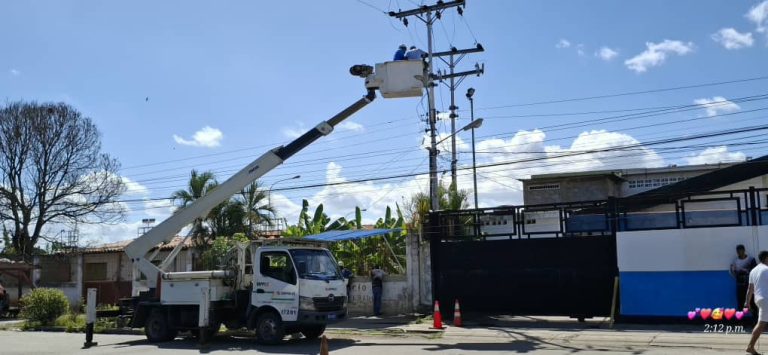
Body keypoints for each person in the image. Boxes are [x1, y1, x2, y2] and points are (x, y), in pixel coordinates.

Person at [745, 250, 768, 355]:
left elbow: (750, 289)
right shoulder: (766, 269)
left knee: (761, 323)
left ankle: (751, 346)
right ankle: (750, 346)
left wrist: (747, 302)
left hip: (758, 299)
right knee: (761, 324)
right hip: (766, 299)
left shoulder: (753, 271)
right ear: (766, 258)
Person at [732, 245, 757, 311]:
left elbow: (754, 271)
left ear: (744, 250)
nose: (739, 253)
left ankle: (755, 318)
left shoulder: (751, 259)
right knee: (740, 301)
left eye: (741, 251)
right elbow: (734, 273)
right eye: (738, 251)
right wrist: (733, 270)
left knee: (752, 301)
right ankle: (741, 318)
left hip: (749, 284)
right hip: (740, 284)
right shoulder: (735, 261)